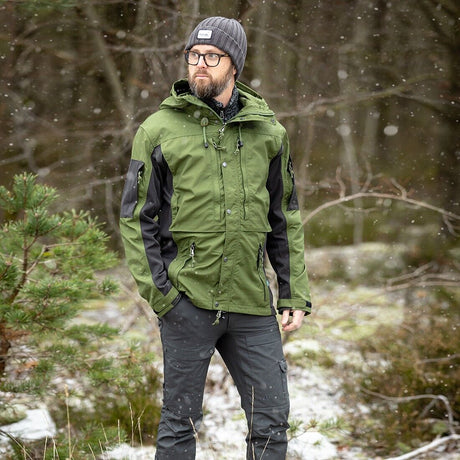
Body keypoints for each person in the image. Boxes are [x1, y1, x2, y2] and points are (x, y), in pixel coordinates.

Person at [119, 16, 312, 460]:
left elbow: (284, 217)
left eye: (212, 56)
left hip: (251, 302)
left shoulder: (269, 132)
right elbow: (135, 218)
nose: (200, 64)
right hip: (187, 300)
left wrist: (293, 292)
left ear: (235, 64)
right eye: (193, 55)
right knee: (180, 422)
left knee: (271, 421)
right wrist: (163, 296)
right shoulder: (158, 130)